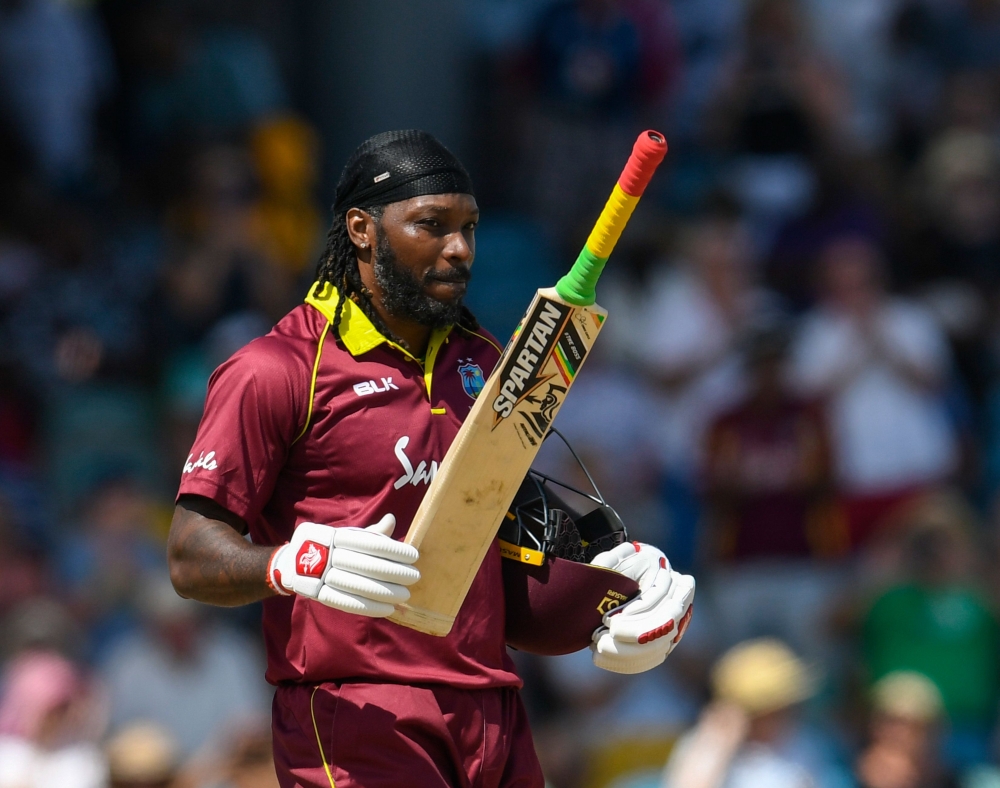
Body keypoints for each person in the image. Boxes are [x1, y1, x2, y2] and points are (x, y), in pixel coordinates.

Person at [167, 130, 694, 788]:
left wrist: (611, 583)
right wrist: (292, 562)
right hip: (356, 713)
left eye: (469, 228)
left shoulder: (480, 358)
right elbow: (189, 553)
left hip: (494, 707)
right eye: (432, 225)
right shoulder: (277, 369)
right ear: (362, 229)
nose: (460, 249)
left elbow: (496, 518)